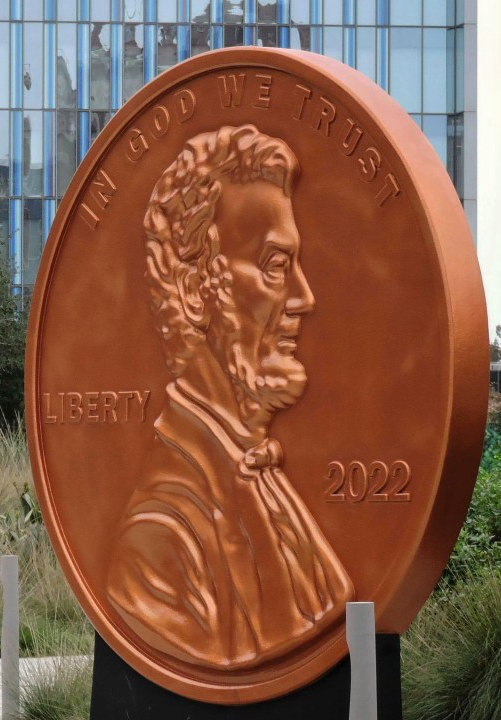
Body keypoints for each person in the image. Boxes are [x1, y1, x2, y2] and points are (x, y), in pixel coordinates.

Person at [106, 125, 352, 671]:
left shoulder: (262, 476)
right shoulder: (160, 545)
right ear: (195, 291)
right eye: (274, 266)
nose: (304, 299)